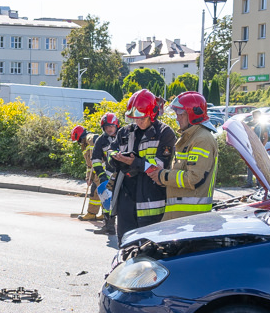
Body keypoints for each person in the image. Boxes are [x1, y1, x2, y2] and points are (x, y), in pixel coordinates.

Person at [107, 89, 176, 242]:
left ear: (152, 114)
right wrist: (115, 157)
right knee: (125, 245)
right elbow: (110, 151)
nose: (137, 122)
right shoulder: (125, 132)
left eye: (142, 118)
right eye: (134, 118)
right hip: (126, 200)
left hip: (150, 202)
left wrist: (135, 162)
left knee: (148, 249)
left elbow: (160, 167)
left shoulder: (165, 134)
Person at [148, 91, 219, 221]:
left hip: (191, 219)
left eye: (180, 114)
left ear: (192, 114)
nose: (177, 118)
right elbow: (180, 173)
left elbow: (193, 178)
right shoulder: (190, 137)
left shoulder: (202, 140)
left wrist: (162, 175)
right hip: (180, 216)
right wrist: (162, 177)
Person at [90, 112, 120, 235]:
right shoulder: (101, 141)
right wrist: (101, 175)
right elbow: (95, 159)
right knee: (107, 201)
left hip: (124, 173)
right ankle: (109, 226)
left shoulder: (124, 135)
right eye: (106, 127)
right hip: (109, 174)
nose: (109, 129)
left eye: (111, 126)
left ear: (116, 125)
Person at [70, 125, 101, 221]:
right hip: (95, 171)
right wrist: (88, 178)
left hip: (101, 169)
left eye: (78, 140)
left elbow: (95, 137)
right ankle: (103, 214)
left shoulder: (89, 137)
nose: (78, 143)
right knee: (99, 192)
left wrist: (94, 154)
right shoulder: (84, 146)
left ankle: (92, 213)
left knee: (97, 192)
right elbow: (89, 165)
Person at [244, 109, 268, 186]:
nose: (255, 117)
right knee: (250, 165)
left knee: (258, 166)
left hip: (258, 148)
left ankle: (259, 183)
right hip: (250, 147)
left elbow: (266, 137)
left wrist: (261, 146)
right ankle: (249, 182)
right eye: (254, 115)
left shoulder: (262, 125)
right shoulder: (249, 124)